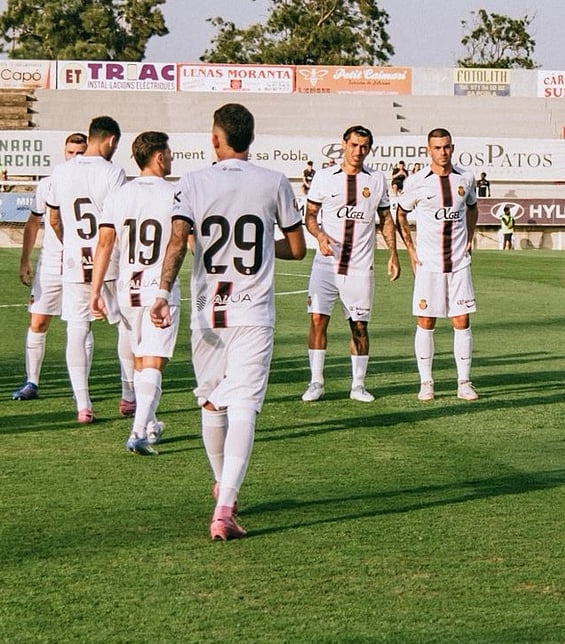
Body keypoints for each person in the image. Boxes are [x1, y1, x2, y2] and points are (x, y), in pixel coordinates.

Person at [149, 103, 306, 540]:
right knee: (243, 406)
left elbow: (178, 241)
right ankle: (225, 506)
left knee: (212, 401)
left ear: (216, 138)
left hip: (207, 311)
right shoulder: (274, 182)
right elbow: (297, 248)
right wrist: (256, 242)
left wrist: (162, 292)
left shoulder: (194, 182)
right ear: (250, 139)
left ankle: (223, 490)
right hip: (252, 311)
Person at [300, 125, 403, 403]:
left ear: (369, 149)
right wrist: (319, 234)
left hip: (359, 266)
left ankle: (358, 385)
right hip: (325, 264)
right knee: (318, 320)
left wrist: (393, 253)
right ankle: (316, 382)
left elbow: (386, 220)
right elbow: (310, 215)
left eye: (364, 147)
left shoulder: (376, 179)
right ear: (344, 144)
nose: (358, 151)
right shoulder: (324, 177)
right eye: (354, 145)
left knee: (359, 326)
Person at [89, 131, 176, 455]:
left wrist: (95, 291)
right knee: (153, 362)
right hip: (160, 289)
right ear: (157, 157)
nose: (170, 158)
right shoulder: (175, 194)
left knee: (142, 362)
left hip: (128, 289)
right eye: (168, 153)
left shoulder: (119, 195)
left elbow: (105, 244)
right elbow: (187, 242)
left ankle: (150, 423)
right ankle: (139, 430)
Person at [46, 116, 129, 424]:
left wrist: (70, 244)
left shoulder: (62, 171)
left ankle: (83, 404)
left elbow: (53, 218)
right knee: (126, 327)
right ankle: (129, 396)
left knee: (77, 330)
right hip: (109, 261)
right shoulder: (113, 172)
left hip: (74, 260)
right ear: (109, 141)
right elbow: (119, 220)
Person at [394, 128, 480, 401]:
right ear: (428, 150)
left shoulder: (466, 177)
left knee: (462, 320)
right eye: (437, 148)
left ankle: (464, 382)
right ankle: (426, 382)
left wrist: (470, 237)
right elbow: (400, 213)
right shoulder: (417, 182)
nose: (443, 152)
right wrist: (410, 249)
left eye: (447, 147)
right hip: (429, 263)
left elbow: (473, 206)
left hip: (458, 262)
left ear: (452, 148)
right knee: (426, 321)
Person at [11, 132, 88, 401]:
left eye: (80, 153)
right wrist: (24, 259)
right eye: (71, 152)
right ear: (64, 152)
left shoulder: (93, 182)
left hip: (81, 261)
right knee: (38, 320)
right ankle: (32, 381)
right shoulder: (49, 183)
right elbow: (33, 223)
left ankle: (81, 384)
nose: (75, 158)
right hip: (52, 262)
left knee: (80, 323)